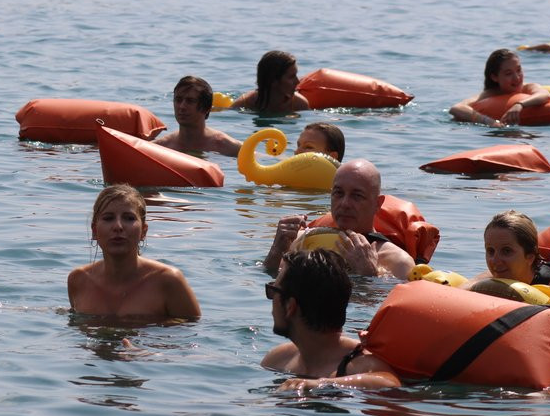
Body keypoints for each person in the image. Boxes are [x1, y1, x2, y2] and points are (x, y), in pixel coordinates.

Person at [261, 249, 401, 392]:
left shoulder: (360, 363)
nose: (271, 299)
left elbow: (389, 382)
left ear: (290, 306)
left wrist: (322, 384)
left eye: (273, 291)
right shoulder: (278, 359)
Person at [67, 184, 201, 320]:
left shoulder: (169, 281)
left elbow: (191, 334)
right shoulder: (78, 280)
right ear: (94, 231)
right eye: (108, 218)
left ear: (143, 231)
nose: (118, 226)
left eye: (129, 218)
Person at [263, 159, 413, 279]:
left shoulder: (398, 262)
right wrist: (276, 251)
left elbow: (387, 312)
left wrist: (368, 275)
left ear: (377, 204)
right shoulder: (301, 241)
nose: (345, 203)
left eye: (357, 196)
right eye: (338, 193)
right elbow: (272, 281)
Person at [464, 210, 550, 295]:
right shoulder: (487, 280)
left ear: (530, 257)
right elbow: (457, 295)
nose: (495, 261)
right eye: (490, 251)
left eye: (506, 251)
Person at [449, 48, 550, 127]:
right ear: (494, 77)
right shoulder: (489, 94)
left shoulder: (528, 88)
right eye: (508, 73)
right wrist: (489, 121)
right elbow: (456, 108)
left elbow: (545, 94)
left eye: (519, 70)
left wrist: (519, 105)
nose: (517, 77)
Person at [155, 76, 241, 156]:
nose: (182, 106)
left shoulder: (229, 147)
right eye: (178, 100)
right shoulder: (161, 147)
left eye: (190, 101)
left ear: (206, 108)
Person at [230, 50, 310, 113]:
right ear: (273, 81)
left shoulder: (299, 104)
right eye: (291, 77)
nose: (297, 81)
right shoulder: (245, 103)